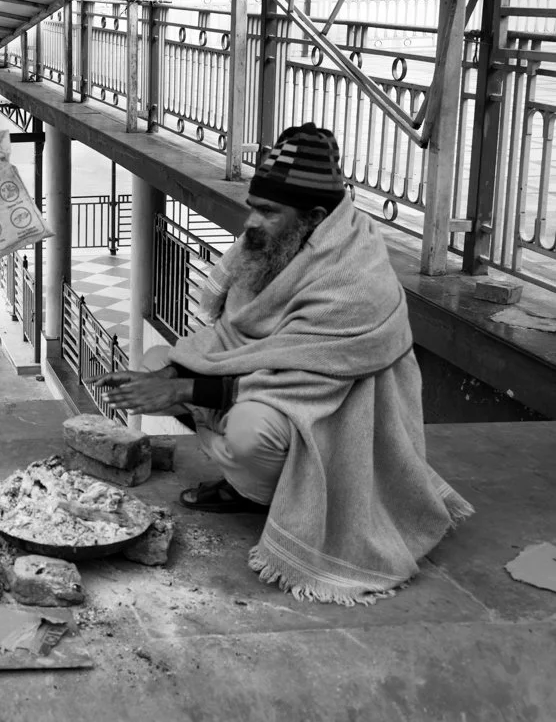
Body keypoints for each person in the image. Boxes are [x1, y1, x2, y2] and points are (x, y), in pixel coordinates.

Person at [96, 123, 472, 605]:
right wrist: (167, 374)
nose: (250, 222)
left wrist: (179, 391)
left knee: (251, 431)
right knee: (155, 358)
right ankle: (255, 484)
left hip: (335, 416)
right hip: (271, 387)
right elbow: (237, 338)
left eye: (268, 212)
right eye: (253, 206)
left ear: (314, 217)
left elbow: (303, 380)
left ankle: (267, 494)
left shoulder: (356, 282)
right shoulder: (281, 243)